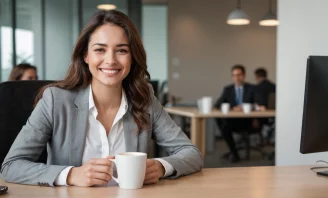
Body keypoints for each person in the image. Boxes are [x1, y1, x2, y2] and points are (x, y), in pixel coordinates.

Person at [1, 10, 203, 187]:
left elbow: (191, 154)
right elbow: (12, 165)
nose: (111, 60)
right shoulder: (55, 100)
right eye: (100, 49)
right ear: (85, 56)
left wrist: (160, 167)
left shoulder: (144, 98)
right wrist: (71, 175)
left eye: (122, 50)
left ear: (132, 57)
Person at [214, 65, 256, 162]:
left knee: (224, 125)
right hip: (233, 120)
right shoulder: (228, 89)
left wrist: (246, 107)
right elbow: (218, 104)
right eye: (234, 75)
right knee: (221, 123)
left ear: (244, 75)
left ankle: (234, 151)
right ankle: (234, 152)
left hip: (248, 121)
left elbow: (258, 103)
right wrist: (231, 107)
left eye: (239, 75)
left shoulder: (251, 88)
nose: (236, 78)